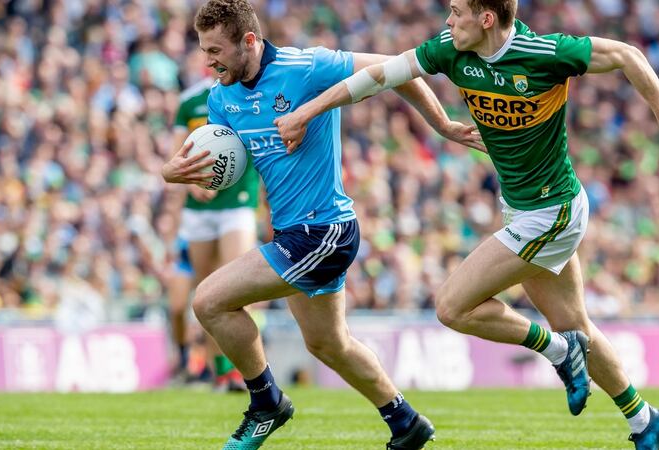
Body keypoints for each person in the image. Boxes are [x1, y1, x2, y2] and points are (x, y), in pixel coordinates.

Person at [275, 0, 659, 448]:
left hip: (552, 212)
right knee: (576, 323)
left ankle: (558, 349)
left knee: (452, 307)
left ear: (486, 19)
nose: (448, 21)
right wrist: (310, 111)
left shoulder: (545, 53)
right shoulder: (451, 50)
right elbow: (381, 76)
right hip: (521, 208)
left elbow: (629, 55)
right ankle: (643, 418)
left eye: (457, 12)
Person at [161, 0, 482, 448]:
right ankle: (406, 423)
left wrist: (443, 124)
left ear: (249, 42)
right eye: (203, 49)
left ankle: (266, 402)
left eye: (215, 49)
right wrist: (180, 175)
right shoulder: (220, 98)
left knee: (209, 301)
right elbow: (224, 171)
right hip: (294, 234)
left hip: (324, 231)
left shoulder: (307, 66)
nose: (207, 60)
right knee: (329, 344)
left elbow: (396, 69)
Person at [168, 75, 261, 391]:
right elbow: (175, 158)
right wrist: (192, 181)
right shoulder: (189, 101)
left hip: (238, 203)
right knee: (206, 293)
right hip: (199, 214)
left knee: (236, 285)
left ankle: (241, 371)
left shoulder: (251, 94)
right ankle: (218, 370)